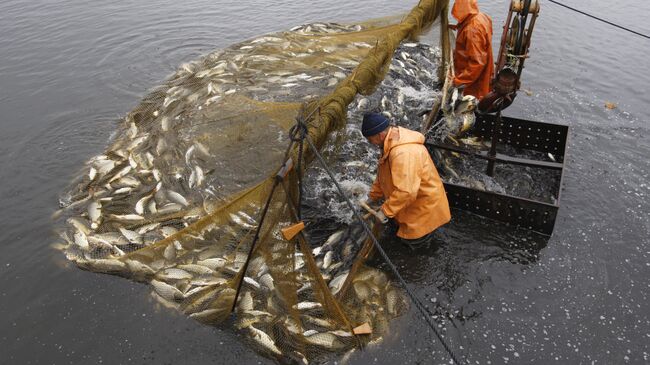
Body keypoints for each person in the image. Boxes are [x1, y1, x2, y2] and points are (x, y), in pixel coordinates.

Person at [362, 113, 451, 246]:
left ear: (380, 135)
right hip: (414, 205)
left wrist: (385, 211)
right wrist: (372, 197)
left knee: (414, 244)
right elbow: (383, 176)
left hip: (423, 211)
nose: (371, 144)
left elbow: (406, 192)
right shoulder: (390, 142)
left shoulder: (403, 153)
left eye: (370, 140)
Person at [450, 0, 494, 100]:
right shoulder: (482, 16)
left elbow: (477, 63)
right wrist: (457, 27)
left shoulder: (472, 30)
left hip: (474, 79)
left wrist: (458, 81)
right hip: (485, 66)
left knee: (471, 100)